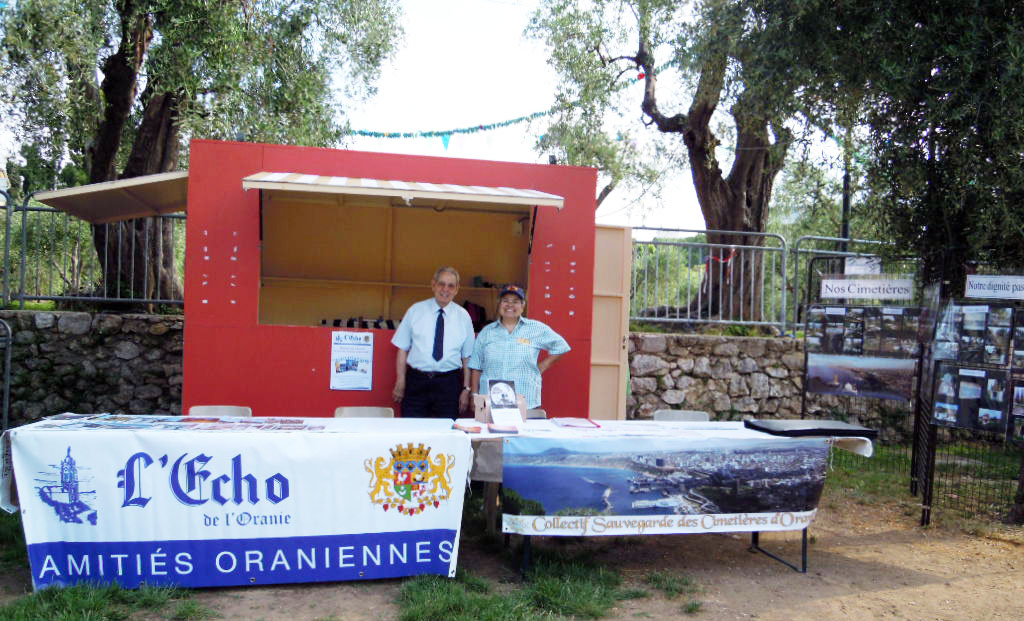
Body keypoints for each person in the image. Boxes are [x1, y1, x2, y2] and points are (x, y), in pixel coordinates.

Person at [469, 284, 570, 410]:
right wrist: (474, 395)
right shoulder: (487, 332)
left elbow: (561, 346)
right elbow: (476, 366)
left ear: (523, 306)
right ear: (499, 304)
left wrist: (542, 366)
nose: (510, 305)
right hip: (491, 402)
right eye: (505, 301)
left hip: (525, 401)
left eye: (516, 302)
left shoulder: (536, 329)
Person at [391, 267, 475, 418]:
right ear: (433, 285)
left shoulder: (464, 316)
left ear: (456, 289)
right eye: (441, 284)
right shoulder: (415, 311)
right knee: (412, 431)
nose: (445, 289)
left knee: (446, 433)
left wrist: (466, 389)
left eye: (451, 285)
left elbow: (467, 357)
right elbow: (402, 348)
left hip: (448, 384)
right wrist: (401, 380)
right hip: (417, 381)